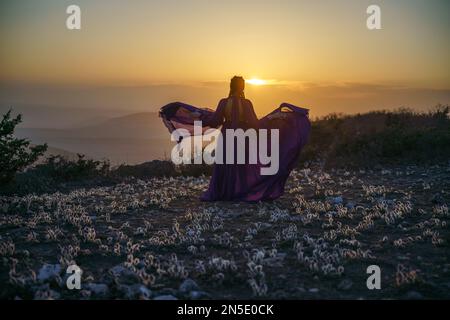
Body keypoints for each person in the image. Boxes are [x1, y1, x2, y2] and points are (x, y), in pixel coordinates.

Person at [159, 76, 311, 202]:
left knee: (227, 165)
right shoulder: (246, 103)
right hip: (243, 139)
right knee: (242, 167)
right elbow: (255, 124)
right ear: (243, 88)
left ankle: (225, 193)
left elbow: (214, 122)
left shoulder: (224, 103)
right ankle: (241, 192)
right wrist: (273, 117)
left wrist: (199, 116)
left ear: (230, 87)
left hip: (226, 138)